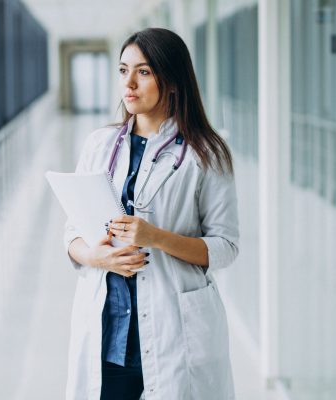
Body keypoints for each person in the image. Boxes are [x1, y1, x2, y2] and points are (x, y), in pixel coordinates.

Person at [63, 28, 240, 400]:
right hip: (108, 331)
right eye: (123, 70)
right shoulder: (99, 145)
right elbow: (71, 235)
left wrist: (155, 237)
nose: (129, 83)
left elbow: (225, 246)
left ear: (172, 81)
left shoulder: (206, 153)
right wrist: (95, 255)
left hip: (175, 329)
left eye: (143, 72)